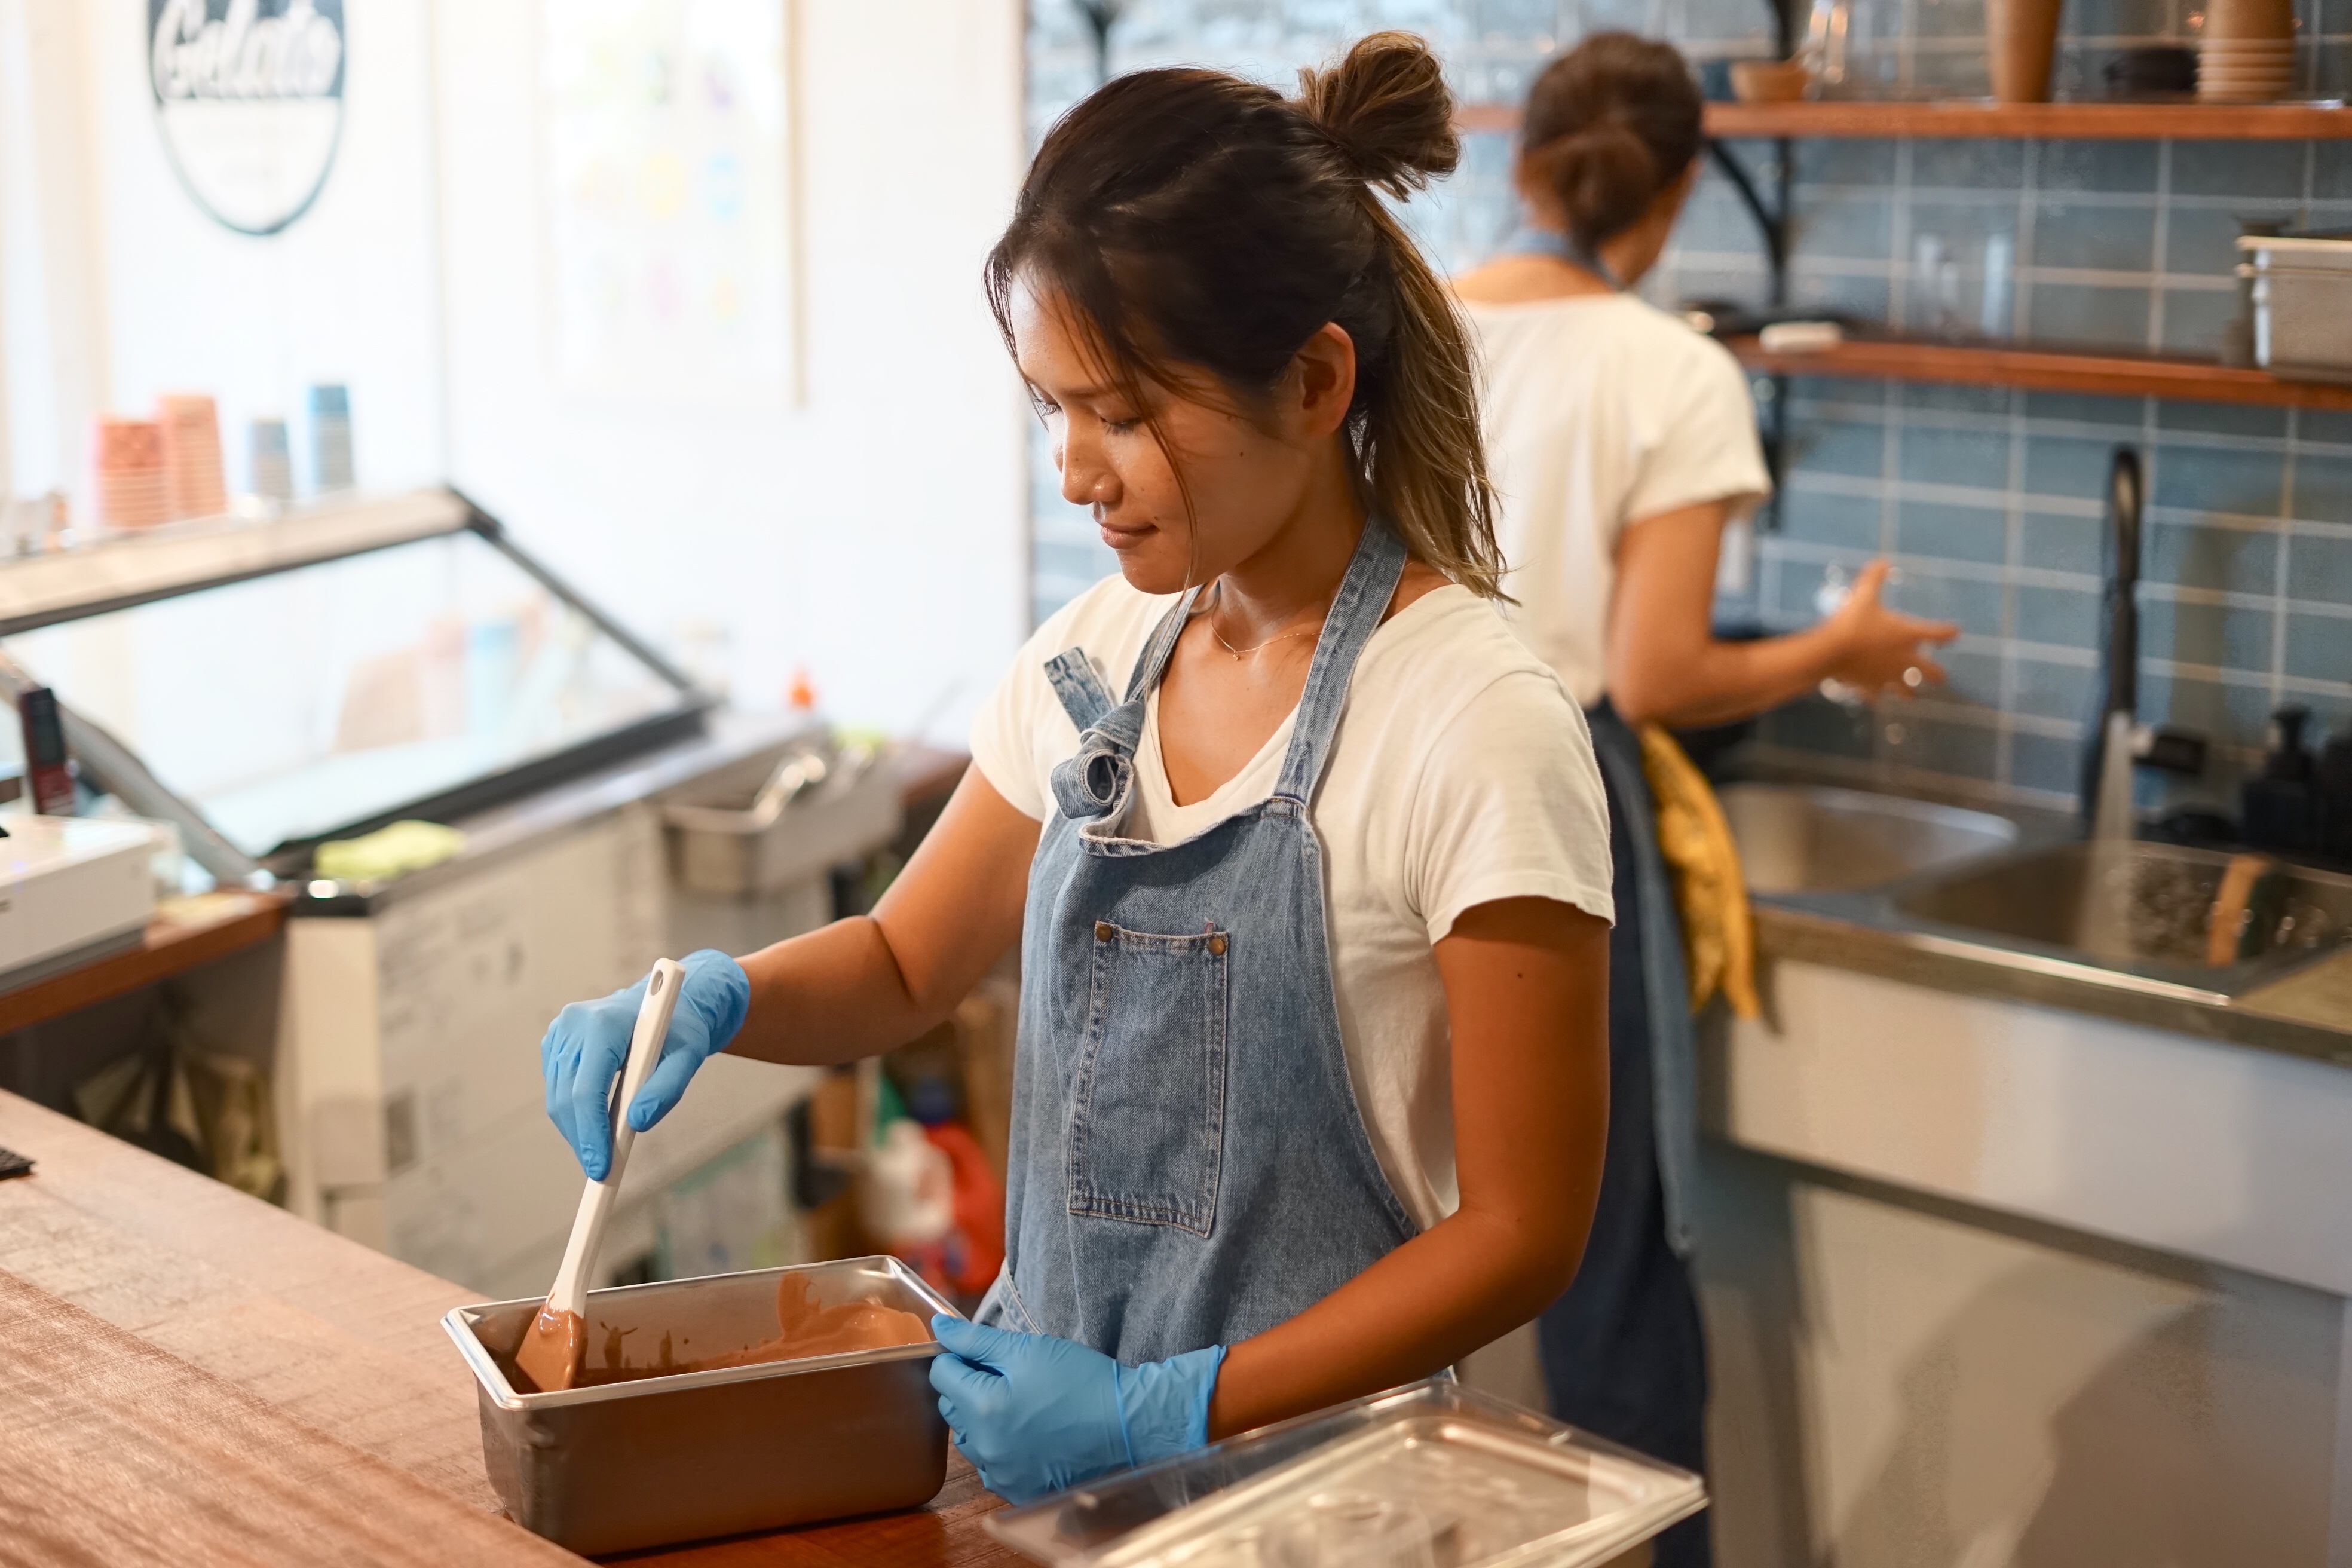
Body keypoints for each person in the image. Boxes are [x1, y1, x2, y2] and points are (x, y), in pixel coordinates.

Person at [539, 33, 1620, 1506]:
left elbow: (1523, 1229)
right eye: (1053, 406)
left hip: (1321, 1505)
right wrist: (713, 999)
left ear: (1313, 385)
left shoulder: (1470, 718)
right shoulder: (1098, 658)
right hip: (1046, 1493)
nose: (1073, 468)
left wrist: (1172, 1408)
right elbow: (905, 959)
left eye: (1122, 412)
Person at [1450, 32, 1960, 1567]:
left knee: (1408, 1238)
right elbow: (1660, 672)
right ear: (1671, 198)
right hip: (1555, 802)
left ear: (1522, 163)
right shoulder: (1671, 368)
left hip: (1386, 789)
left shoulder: (1407, 330)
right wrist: (1839, 649)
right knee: (1606, 1264)